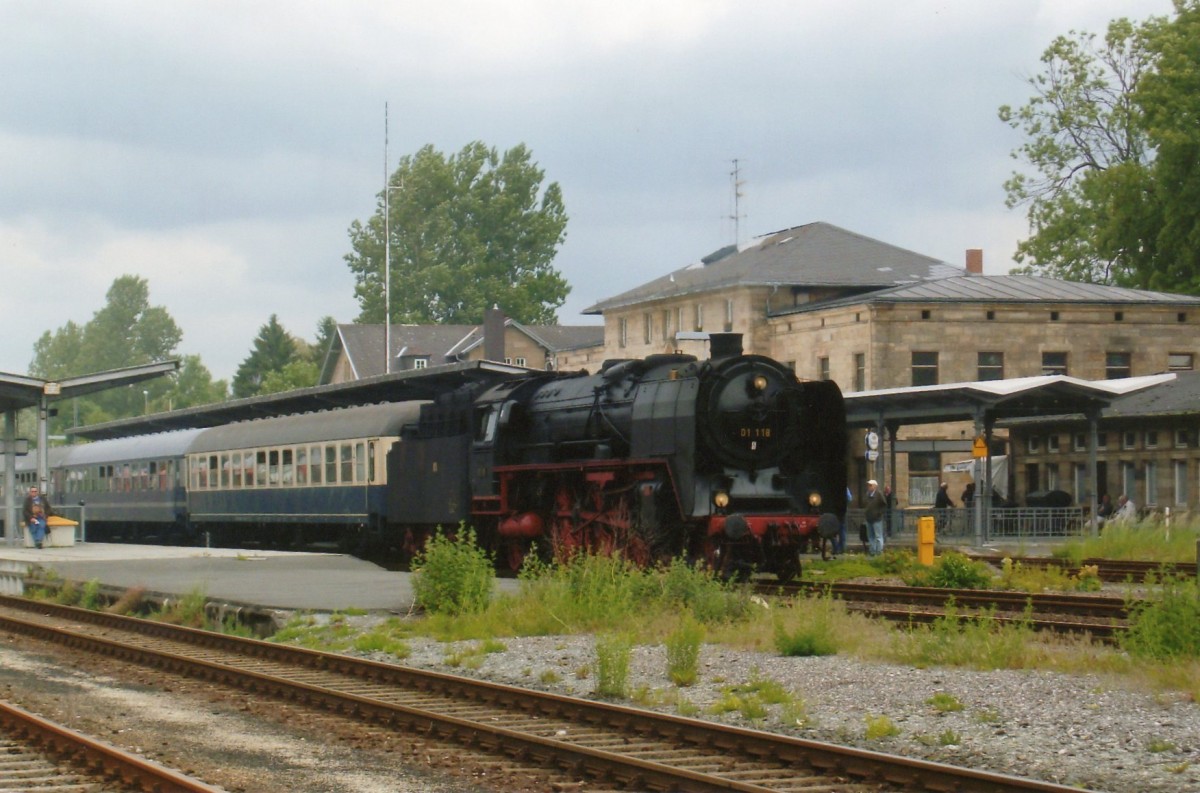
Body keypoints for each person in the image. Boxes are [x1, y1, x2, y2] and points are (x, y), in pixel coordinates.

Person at [863, 479, 888, 556]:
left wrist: (879, 513)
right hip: (869, 518)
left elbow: (884, 505)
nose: (869, 487)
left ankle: (879, 551)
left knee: (878, 536)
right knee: (870, 536)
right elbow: (866, 504)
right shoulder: (867, 494)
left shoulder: (879, 494)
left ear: (875, 486)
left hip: (877, 519)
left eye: (870, 485)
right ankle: (873, 551)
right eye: (868, 485)